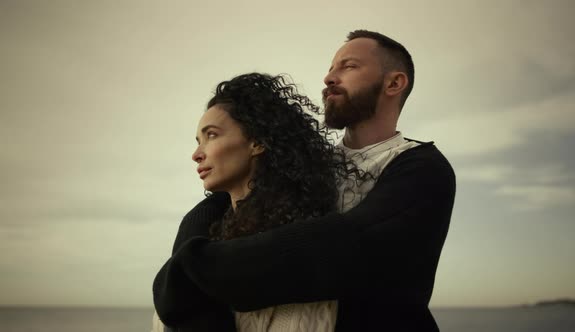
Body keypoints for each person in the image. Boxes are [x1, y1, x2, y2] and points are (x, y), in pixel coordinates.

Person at [154, 29, 456, 331]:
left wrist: (190, 266)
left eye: (348, 66)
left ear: (394, 83)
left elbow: (352, 247)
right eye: (330, 68)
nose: (329, 78)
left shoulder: (422, 168)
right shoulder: (303, 165)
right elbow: (225, 203)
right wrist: (188, 258)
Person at [152, 72, 361, 331]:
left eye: (212, 135)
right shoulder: (203, 238)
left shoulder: (298, 252)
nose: (196, 154)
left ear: (258, 142)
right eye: (198, 141)